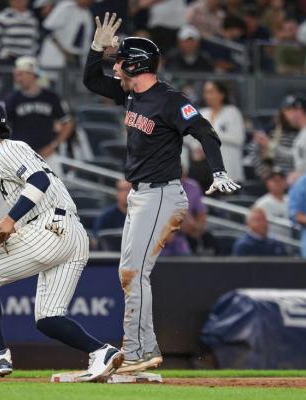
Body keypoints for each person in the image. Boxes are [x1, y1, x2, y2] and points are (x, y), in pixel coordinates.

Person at [83, 13, 240, 372]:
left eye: (121, 60)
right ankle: (146, 349)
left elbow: (204, 131)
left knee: (132, 272)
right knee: (134, 273)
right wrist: (96, 48)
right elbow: (91, 79)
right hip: (142, 196)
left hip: (161, 194)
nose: (116, 65)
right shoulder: (130, 95)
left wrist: (217, 170)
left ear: (137, 65)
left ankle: (135, 352)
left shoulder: (169, 99)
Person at [0, 98, 122, 381]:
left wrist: (8, 222)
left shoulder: (9, 149)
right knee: (49, 319)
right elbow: (36, 196)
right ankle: (101, 352)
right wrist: (6, 228)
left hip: (50, 230)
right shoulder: (10, 154)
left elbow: (39, 182)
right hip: (71, 234)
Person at [4, 56, 73, 175]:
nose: (17, 78)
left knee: (56, 191)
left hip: (47, 155)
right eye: (16, 74)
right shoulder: (12, 99)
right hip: (21, 156)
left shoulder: (51, 97)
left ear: (32, 74)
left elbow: (68, 123)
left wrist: (53, 145)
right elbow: (3, 126)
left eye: (21, 74)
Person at [194, 80, 245, 183]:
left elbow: (239, 139)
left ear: (221, 94)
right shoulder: (202, 113)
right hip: (206, 172)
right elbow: (193, 140)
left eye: (211, 92)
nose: (207, 95)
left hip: (229, 170)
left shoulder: (232, 112)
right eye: (205, 92)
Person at [38, 0, 94, 69]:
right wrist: (64, 52)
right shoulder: (66, 7)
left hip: (75, 60)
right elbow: (46, 30)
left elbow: (87, 40)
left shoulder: (87, 14)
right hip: (54, 58)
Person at [254, 167, 289, 238]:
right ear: (267, 183)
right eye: (274, 180)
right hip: (269, 242)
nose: (277, 183)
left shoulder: (291, 200)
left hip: (290, 240)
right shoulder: (261, 203)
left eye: (280, 180)